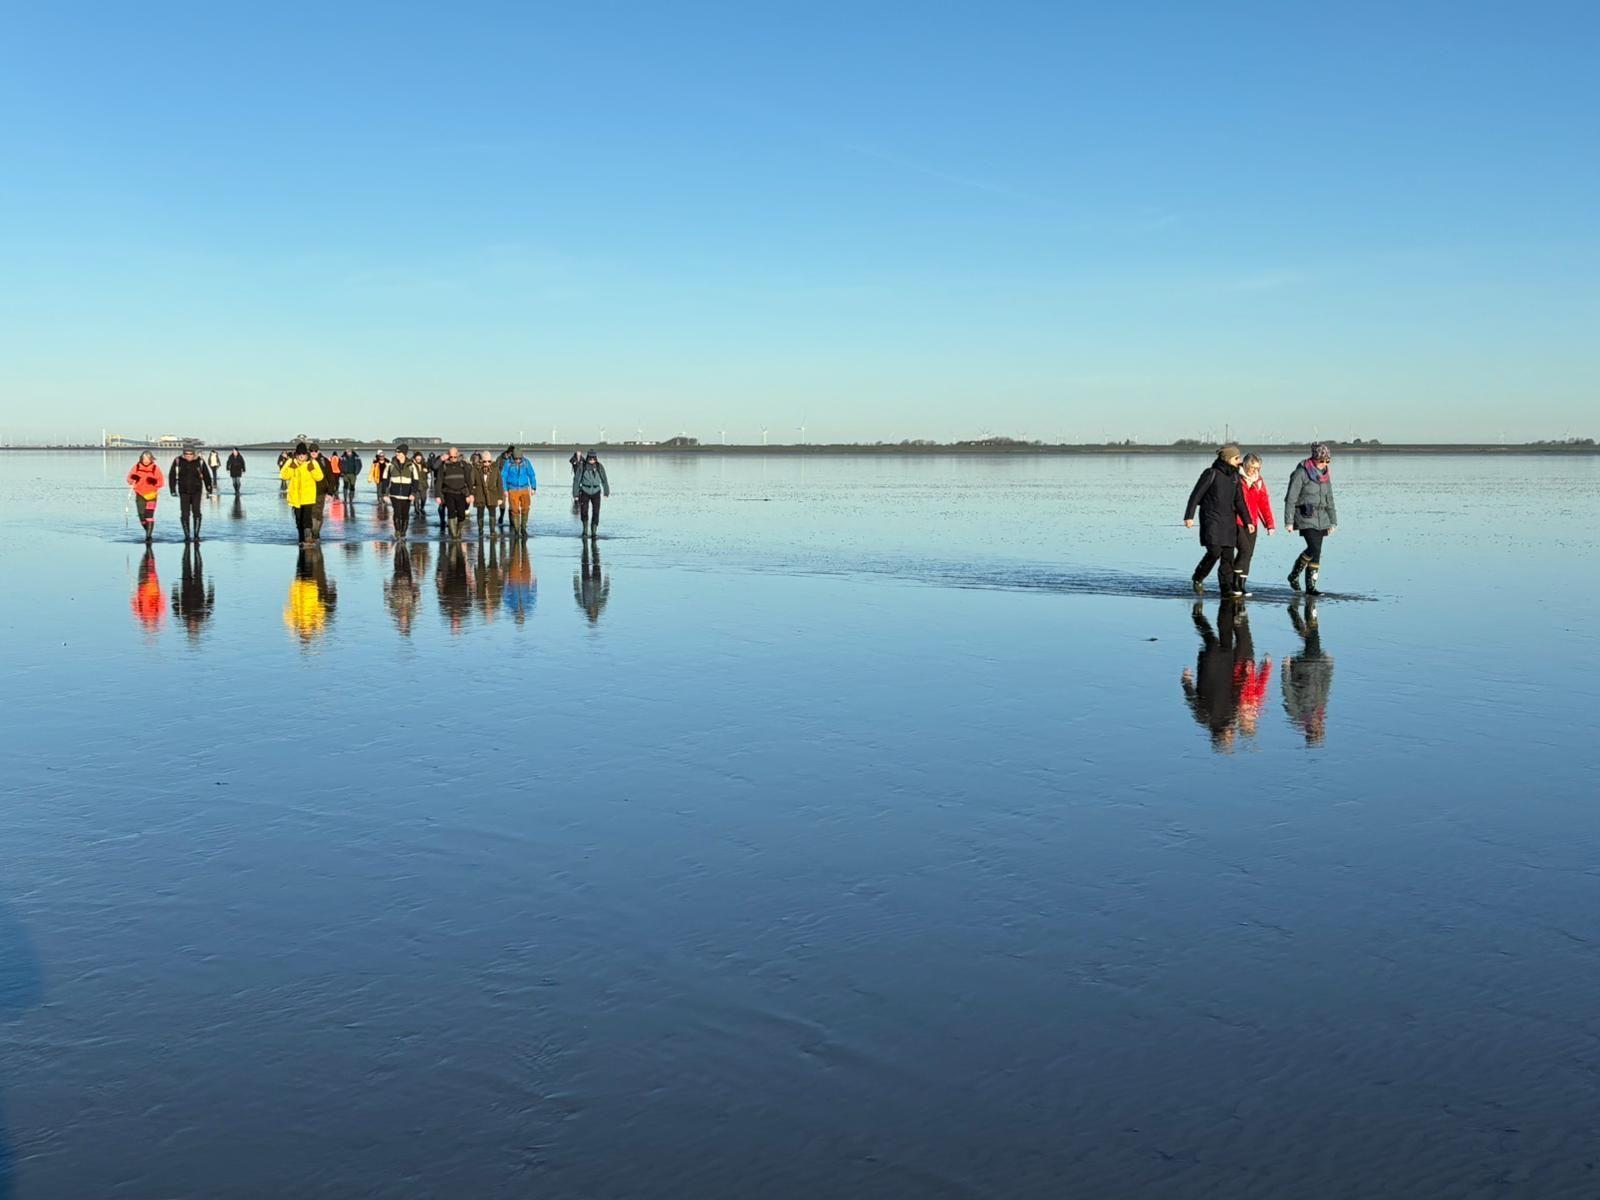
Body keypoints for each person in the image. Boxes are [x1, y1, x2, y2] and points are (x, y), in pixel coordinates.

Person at [1181, 599, 1256, 752]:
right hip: (1226, 671)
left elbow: (1192, 699)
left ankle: (1198, 616)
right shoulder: (1232, 717)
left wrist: (1186, 681)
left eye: (1229, 738)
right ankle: (1227, 609)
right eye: (1231, 737)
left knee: (1212, 643)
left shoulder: (1204, 718)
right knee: (1226, 638)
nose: (1232, 735)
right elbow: (1236, 692)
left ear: (1221, 735)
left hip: (1210, 673)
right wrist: (1245, 675)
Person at [1184, 443, 1253, 597]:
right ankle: (1198, 577)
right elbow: (1195, 496)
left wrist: (1248, 521)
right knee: (1215, 551)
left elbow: (1239, 501)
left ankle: (1226, 588)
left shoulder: (1235, 476)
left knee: (1228, 556)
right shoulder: (1211, 473)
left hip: (1229, 521)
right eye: (1236, 458)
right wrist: (1189, 516)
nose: (1239, 460)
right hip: (1211, 519)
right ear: (1228, 458)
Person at [1285, 442, 1337, 595]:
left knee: (1317, 552)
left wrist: (1333, 520)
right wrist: (1288, 521)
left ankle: (1311, 587)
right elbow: (1290, 498)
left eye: (1327, 461)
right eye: (1322, 460)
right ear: (1314, 459)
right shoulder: (1301, 473)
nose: (1324, 464)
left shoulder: (1325, 475)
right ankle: (1294, 575)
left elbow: (1330, 499)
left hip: (1323, 518)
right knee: (1313, 548)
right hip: (1305, 516)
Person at [1282, 599, 1333, 745]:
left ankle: (1310, 607)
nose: (1318, 726)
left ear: (1309, 731)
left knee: (1313, 637)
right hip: (1317, 663)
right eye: (1320, 729)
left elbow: (1288, 691)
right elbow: (1325, 689)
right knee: (1312, 638)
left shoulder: (1297, 714)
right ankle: (1297, 612)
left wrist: (1285, 669)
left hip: (1302, 668)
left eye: (1316, 730)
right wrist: (1328, 666)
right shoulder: (1320, 712)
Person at [1233, 453, 1275, 597]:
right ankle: (1235, 584)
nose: (1254, 471)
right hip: (1237, 521)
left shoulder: (1259, 481)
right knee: (1244, 550)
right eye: (1251, 468)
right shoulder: (1236, 478)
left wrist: (1270, 524)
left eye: (1257, 468)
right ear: (1245, 465)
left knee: (1248, 554)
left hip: (1253, 522)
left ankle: (1242, 585)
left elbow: (1264, 503)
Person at [279, 442, 324, 545]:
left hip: (308, 496)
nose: (301, 456)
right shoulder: (291, 462)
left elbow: (319, 477)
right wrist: (291, 467)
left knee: (307, 518)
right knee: (299, 519)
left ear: (306, 454)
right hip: (295, 497)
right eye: (299, 454)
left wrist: (312, 469)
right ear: (296, 454)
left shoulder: (312, 463)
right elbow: (283, 476)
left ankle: (308, 537)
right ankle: (301, 539)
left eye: (303, 454)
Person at [168, 445, 215, 542]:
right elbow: (172, 475)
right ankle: (187, 535)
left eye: (190, 454)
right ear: (183, 454)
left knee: (196, 512)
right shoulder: (178, 461)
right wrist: (172, 489)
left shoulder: (200, 462)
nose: (188, 456)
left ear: (194, 454)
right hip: (183, 491)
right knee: (185, 514)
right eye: (186, 454)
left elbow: (206, 476)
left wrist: (209, 489)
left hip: (196, 490)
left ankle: (196, 535)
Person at [172, 544, 215, 641]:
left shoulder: (183, 617)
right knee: (188, 566)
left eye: (192, 629)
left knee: (195, 567)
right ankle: (192, 549)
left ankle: (195, 549)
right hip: (189, 588)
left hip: (196, 589)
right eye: (193, 629)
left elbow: (176, 605)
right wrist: (211, 588)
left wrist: (174, 591)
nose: (193, 626)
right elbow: (210, 603)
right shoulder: (203, 616)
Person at [432, 446, 476, 540]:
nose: (453, 459)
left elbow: (469, 480)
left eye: (454, 457)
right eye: (450, 457)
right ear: (448, 456)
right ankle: (454, 535)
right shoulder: (443, 465)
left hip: (461, 492)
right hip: (448, 492)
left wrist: (471, 494)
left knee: (461, 514)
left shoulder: (463, 465)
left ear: (458, 455)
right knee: (451, 512)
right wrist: (437, 495)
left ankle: (459, 531)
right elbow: (439, 481)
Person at [383, 445, 423, 539]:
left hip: (407, 495)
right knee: (397, 513)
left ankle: (403, 533)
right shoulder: (390, 464)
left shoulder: (411, 466)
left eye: (398, 452)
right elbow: (385, 479)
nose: (396, 454)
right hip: (394, 494)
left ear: (404, 453)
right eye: (396, 452)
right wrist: (385, 494)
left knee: (405, 514)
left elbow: (416, 481)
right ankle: (397, 531)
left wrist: (413, 493)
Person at [126, 452, 165, 542]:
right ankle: (148, 530)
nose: (146, 461)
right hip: (140, 494)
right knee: (142, 517)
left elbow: (161, 482)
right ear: (141, 459)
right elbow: (129, 479)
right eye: (144, 459)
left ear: (151, 459)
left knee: (149, 516)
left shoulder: (155, 468)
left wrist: (154, 482)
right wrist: (133, 478)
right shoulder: (136, 467)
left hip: (151, 495)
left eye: (148, 459)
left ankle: (148, 537)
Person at [500, 445, 537, 539]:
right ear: (513, 457)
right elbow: (503, 476)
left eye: (519, 458)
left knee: (525, 508)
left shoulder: (526, 463)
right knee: (514, 509)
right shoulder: (508, 463)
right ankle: (517, 530)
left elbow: (531, 474)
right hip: (512, 489)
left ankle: (523, 528)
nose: (517, 460)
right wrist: (505, 489)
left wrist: (533, 487)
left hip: (524, 488)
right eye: (516, 458)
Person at [573, 449, 610, 539]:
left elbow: (604, 479)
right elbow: (577, 480)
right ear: (588, 458)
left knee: (596, 512)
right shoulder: (582, 466)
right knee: (584, 511)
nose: (592, 460)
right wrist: (575, 494)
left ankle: (594, 532)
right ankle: (585, 531)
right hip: (585, 491)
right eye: (590, 458)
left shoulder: (599, 466)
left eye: (593, 458)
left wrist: (606, 491)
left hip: (596, 492)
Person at [307, 442, 337, 541]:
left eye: (315, 451)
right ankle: (310, 534)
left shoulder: (324, 461)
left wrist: (330, 492)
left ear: (318, 451)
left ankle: (316, 533)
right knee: (308, 513)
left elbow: (331, 477)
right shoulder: (306, 461)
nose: (313, 453)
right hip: (307, 491)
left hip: (320, 491)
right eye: (311, 451)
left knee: (317, 512)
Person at [472, 451, 506, 537]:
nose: (487, 463)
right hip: (480, 494)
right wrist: (471, 494)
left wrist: (500, 497)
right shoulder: (476, 469)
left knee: (492, 512)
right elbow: (471, 483)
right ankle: (480, 531)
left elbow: (499, 484)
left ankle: (492, 531)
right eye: (484, 461)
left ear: (491, 461)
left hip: (492, 494)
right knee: (480, 513)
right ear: (481, 461)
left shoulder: (495, 469)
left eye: (489, 461)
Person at [131, 546, 165, 632]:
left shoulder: (141, 615)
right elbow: (162, 603)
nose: (150, 622)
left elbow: (135, 605)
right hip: (150, 587)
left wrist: (134, 596)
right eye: (151, 624)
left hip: (145, 586)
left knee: (148, 566)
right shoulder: (155, 614)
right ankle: (148, 550)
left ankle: (148, 550)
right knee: (149, 566)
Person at [574, 541, 609, 623]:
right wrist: (607, 581)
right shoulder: (600, 605)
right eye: (593, 614)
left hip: (586, 582)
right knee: (596, 562)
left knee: (585, 563)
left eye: (591, 614)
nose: (592, 611)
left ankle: (586, 548)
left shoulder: (583, 605)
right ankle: (594, 547)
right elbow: (605, 592)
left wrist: (576, 580)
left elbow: (577, 593)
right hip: (596, 582)